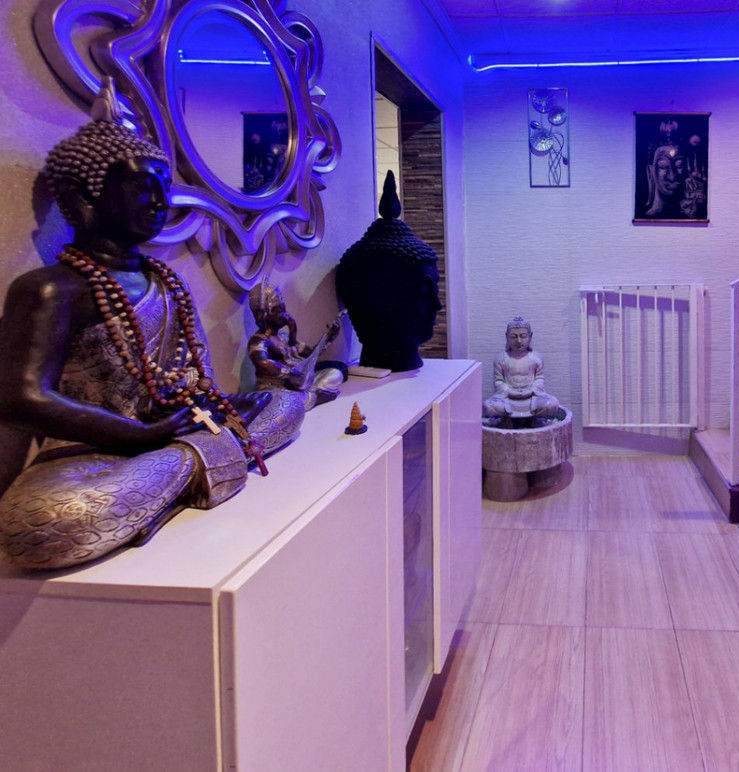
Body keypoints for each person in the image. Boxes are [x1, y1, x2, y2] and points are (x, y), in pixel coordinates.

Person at [0, 85, 304, 570]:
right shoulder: (51, 288)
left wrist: (214, 405)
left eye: (165, 185)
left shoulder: (167, 283)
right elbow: (19, 398)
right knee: (38, 526)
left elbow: (194, 377)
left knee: (286, 405)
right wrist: (138, 435)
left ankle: (185, 463)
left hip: (171, 434)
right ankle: (194, 464)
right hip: (93, 456)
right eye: (144, 186)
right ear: (83, 197)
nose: (163, 200)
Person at [336, 170, 442, 372]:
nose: (437, 305)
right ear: (380, 298)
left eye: (434, 288)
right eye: (424, 292)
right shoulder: (358, 261)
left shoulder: (357, 258)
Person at [248, 282, 345, 410]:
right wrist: (290, 373)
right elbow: (262, 362)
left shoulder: (284, 337)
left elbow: (311, 355)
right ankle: (312, 396)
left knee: (335, 374)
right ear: (266, 315)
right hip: (275, 388)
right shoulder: (259, 341)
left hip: (297, 384)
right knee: (283, 402)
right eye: (280, 310)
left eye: (284, 308)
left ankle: (309, 396)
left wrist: (328, 338)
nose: (285, 314)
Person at [483, 317, 560, 421]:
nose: (519, 341)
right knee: (488, 407)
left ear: (530, 336)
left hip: (532, 398)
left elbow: (540, 378)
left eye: (523, 336)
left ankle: (533, 420)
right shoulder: (501, 359)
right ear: (506, 336)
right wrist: (509, 391)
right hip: (508, 399)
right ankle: (507, 421)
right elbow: (499, 381)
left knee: (551, 404)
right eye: (513, 337)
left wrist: (531, 390)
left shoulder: (536, 358)